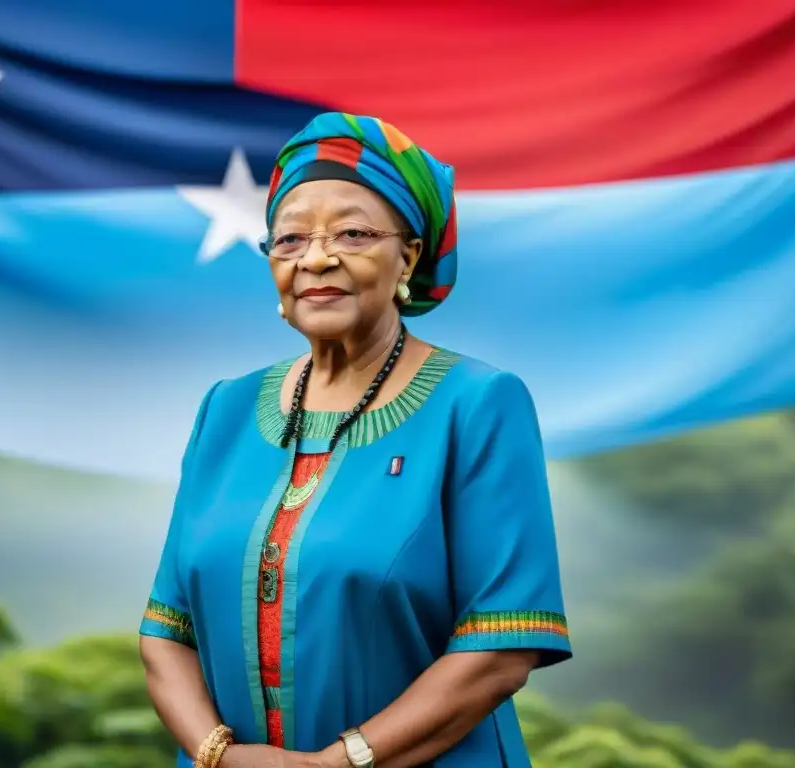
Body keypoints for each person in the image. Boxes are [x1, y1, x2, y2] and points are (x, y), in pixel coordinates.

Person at [139, 112, 571, 768]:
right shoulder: (225, 409)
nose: (317, 258)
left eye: (353, 232)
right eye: (289, 240)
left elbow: (501, 651)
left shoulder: (478, 405)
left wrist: (336, 765)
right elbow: (166, 635)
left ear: (411, 255)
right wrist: (218, 757)